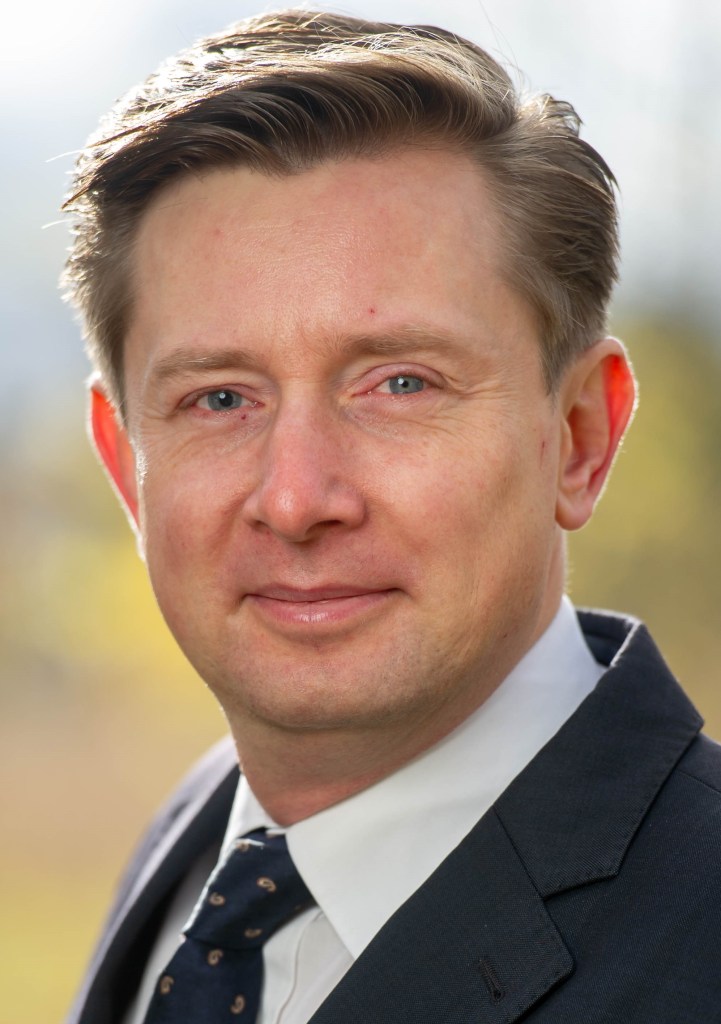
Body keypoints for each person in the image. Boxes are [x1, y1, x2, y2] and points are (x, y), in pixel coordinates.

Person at [62, 9, 721, 1024]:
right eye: (220, 398)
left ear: (580, 436)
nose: (296, 499)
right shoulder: (194, 845)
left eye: (400, 383)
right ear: (127, 465)